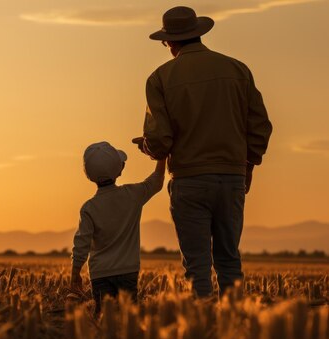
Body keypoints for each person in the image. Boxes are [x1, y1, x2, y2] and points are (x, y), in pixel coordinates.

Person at [133, 6, 273, 298]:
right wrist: (248, 167)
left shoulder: (160, 78)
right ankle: (235, 326)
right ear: (197, 33)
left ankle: (203, 329)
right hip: (232, 177)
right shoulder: (237, 69)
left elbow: (160, 139)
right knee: (229, 260)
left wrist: (147, 146)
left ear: (170, 42)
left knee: (197, 266)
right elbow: (259, 126)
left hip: (189, 180)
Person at [70, 141, 165, 313]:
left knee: (104, 319)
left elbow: (81, 243)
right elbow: (157, 181)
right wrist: (162, 155)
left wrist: (75, 273)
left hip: (100, 274)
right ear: (119, 170)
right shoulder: (132, 195)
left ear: (89, 176)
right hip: (128, 271)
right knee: (128, 318)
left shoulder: (89, 208)